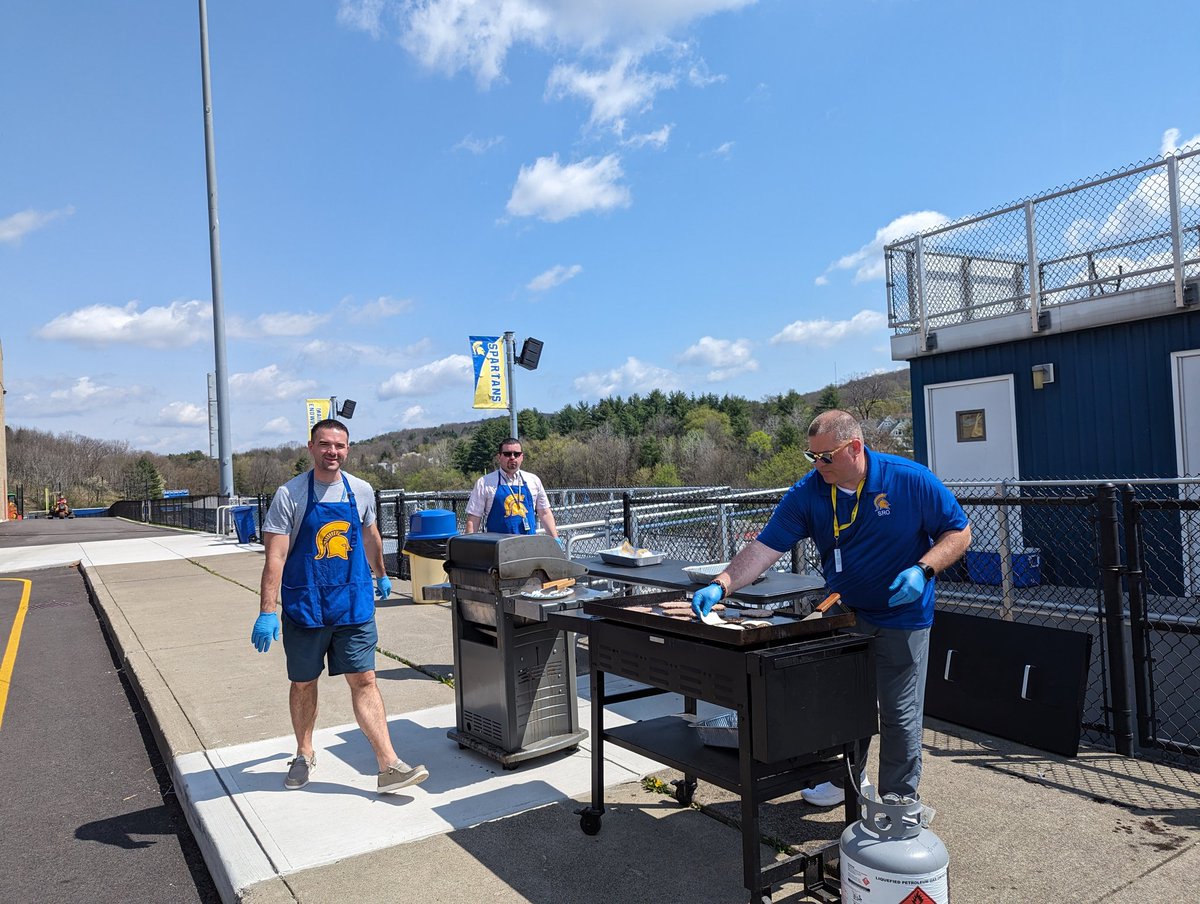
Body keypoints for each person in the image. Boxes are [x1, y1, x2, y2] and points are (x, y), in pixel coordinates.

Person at [692, 410, 971, 805]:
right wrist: (721, 584)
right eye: (812, 456)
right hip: (844, 612)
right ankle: (844, 781)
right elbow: (764, 548)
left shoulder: (909, 479)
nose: (817, 465)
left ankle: (898, 802)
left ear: (855, 447)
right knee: (840, 706)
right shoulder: (810, 492)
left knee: (899, 713)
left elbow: (959, 531)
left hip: (903, 616)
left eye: (826, 456)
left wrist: (923, 569)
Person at [252, 418, 428, 794]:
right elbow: (276, 558)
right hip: (306, 605)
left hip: (353, 605)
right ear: (311, 447)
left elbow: (370, 536)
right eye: (325, 444)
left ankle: (389, 765)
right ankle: (303, 752)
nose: (333, 452)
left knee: (365, 679)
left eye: (340, 446)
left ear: (348, 449)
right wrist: (268, 609)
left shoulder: (360, 490)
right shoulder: (290, 495)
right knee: (303, 683)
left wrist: (382, 574)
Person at [464, 437, 561, 541]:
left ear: (522, 457)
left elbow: (545, 513)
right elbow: (474, 518)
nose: (512, 457)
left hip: (529, 545)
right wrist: (469, 546)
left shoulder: (533, 480)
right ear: (499, 457)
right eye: (507, 454)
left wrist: (555, 539)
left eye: (516, 454)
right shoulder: (484, 483)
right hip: (497, 548)